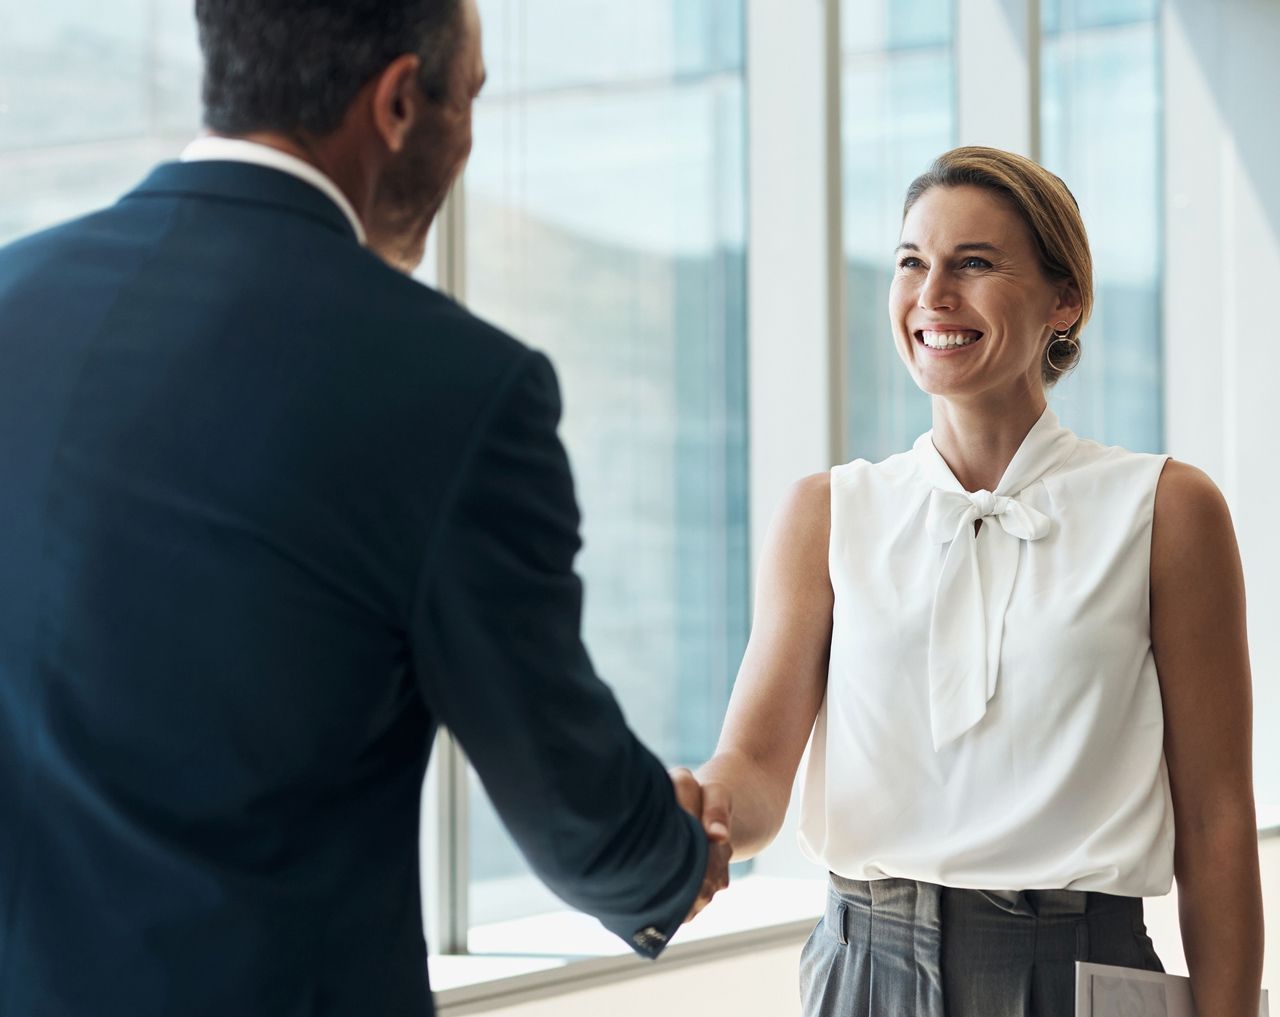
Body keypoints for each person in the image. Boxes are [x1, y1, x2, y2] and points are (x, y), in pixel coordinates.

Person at [0, 2, 730, 1014]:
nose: (468, 136)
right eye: (467, 98)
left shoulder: (11, 296)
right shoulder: (454, 384)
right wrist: (671, 855)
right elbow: (576, 817)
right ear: (396, 101)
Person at [690, 146, 1264, 1017]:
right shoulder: (828, 512)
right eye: (912, 262)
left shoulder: (1166, 511)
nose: (933, 295)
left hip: (1084, 973)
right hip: (862, 970)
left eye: (975, 264)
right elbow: (759, 768)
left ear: (1064, 300)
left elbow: (1218, 824)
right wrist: (705, 812)